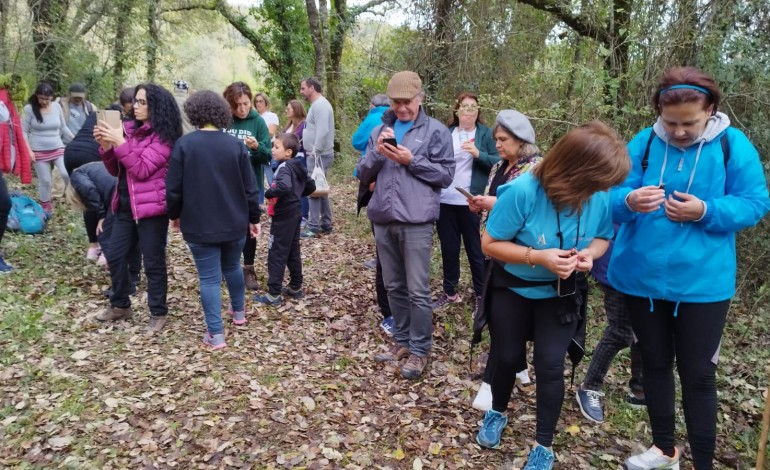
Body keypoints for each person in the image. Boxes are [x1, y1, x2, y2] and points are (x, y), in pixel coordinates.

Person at [608, 67, 770, 470]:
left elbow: (755, 202)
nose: (679, 132)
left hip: (703, 284)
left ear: (710, 110)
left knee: (698, 375)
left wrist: (707, 210)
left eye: (690, 123)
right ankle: (665, 450)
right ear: (659, 114)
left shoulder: (732, 145)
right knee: (655, 365)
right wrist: (628, 201)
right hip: (641, 279)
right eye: (671, 122)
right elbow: (608, 194)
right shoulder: (644, 142)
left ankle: (703, 463)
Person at [474, 121, 630, 470]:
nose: (598, 191)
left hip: (560, 295)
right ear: (573, 170)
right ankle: (497, 412)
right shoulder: (522, 192)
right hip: (513, 288)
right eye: (594, 183)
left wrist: (591, 253)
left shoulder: (599, 195)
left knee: (549, 365)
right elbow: (489, 244)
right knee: (507, 355)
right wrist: (539, 257)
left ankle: (543, 445)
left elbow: (603, 237)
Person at [358, 70, 455, 380]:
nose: (402, 108)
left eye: (407, 102)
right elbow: (362, 172)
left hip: (417, 221)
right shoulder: (380, 130)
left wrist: (410, 160)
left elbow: (445, 176)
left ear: (420, 99)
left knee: (417, 289)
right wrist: (378, 151)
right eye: (397, 102)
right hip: (384, 218)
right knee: (393, 285)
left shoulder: (436, 131)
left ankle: (420, 348)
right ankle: (401, 340)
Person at [166, 90, 261, 350]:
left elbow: (173, 188)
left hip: (199, 224)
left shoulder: (185, 145)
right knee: (232, 266)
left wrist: (174, 215)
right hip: (234, 222)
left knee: (209, 278)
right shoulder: (235, 145)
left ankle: (216, 334)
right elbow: (250, 188)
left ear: (193, 113)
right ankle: (239, 312)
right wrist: (254, 218)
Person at [93, 83, 182, 335]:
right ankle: (120, 304)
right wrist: (108, 147)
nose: (137, 106)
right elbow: (115, 170)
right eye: (137, 101)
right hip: (123, 205)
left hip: (151, 210)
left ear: (157, 107)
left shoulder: (164, 138)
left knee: (153, 262)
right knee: (116, 255)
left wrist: (120, 142)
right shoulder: (129, 130)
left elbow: (142, 169)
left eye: (143, 102)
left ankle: (158, 312)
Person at [468, 109, 541, 412]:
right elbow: (493, 200)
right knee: (499, 316)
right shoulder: (499, 165)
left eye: (503, 139)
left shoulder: (536, 168)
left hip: (518, 252)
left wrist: (492, 203)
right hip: (493, 246)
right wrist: (480, 206)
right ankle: (519, 369)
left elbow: (531, 205)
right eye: (496, 138)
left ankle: (490, 385)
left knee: (502, 320)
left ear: (521, 140)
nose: (497, 144)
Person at [433, 92, 499, 314]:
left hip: (473, 201)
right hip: (445, 200)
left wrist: (478, 154)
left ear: (478, 111)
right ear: (457, 110)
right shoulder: (446, 133)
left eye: (473, 107)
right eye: (465, 106)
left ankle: (481, 295)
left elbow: (499, 163)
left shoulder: (486, 134)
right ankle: (450, 292)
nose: (469, 110)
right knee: (449, 248)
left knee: (476, 250)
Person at [574, 226, 645, 425]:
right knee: (621, 332)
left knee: (645, 329)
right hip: (617, 264)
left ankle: (640, 389)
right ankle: (590, 386)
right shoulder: (616, 194)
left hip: (647, 268)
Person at [254, 133, 316, 306]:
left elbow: (284, 186)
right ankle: (296, 286)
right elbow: (311, 185)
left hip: (283, 216)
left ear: (288, 152)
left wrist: (268, 193)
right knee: (292, 250)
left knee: (277, 252)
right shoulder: (298, 166)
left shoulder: (284, 168)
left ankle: (273, 294)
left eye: (276, 147)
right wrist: (298, 195)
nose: (272, 150)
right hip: (295, 213)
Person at [222, 82, 271, 290]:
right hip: (226, 185)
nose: (242, 109)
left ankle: (248, 268)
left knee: (250, 226)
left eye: (245, 104)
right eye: (237, 105)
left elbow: (268, 155)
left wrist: (257, 147)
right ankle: (227, 266)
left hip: (251, 184)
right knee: (227, 226)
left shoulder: (257, 122)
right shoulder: (223, 121)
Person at [67, 162, 141, 295]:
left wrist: (101, 215)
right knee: (131, 235)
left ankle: (123, 285)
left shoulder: (76, 175)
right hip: (130, 190)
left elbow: (89, 190)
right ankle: (133, 275)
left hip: (117, 193)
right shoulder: (92, 168)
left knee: (105, 236)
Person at [352, 93, 392, 333]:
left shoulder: (372, 121)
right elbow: (364, 167)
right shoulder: (380, 127)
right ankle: (391, 315)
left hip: (400, 208)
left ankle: (391, 314)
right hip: (382, 201)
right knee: (387, 263)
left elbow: (356, 141)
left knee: (386, 263)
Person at [22, 82, 74, 215]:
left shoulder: (57, 107)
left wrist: (74, 138)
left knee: (65, 173)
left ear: (52, 97)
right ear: (36, 96)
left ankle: (73, 199)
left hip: (57, 147)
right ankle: (46, 207)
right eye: (41, 98)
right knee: (45, 180)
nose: (44, 101)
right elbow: (23, 132)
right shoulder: (29, 109)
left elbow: (63, 127)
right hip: (38, 149)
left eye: (47, 98)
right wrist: (29, 151)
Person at [299, 77, 335, 238]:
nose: (301, 92)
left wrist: (316, 150)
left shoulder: (320, 105)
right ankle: (326, 223)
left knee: (313, 189)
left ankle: (313, 226)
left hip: (319, 155)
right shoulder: (318, 105)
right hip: (318, 154)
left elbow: (323, 130)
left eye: (303, 88)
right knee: (321, 189)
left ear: (311, 88)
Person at [64, 113, 102, 259]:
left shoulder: (94, 115)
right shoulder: (119, 120)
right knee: (99, 201)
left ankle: (93, 247)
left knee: (87, 201)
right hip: (91, 155)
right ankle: (103, 248)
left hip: (70, 152)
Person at [282, 99, 309, 226]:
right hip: (287, 159)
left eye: (289, 108)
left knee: (300, 187)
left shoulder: (303, 124)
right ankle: (293, 213)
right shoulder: (288, 125)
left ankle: (304, 216)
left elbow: (298, 142)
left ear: (296, 109)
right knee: (289, 187)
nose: (287, 111)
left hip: (299, 158)